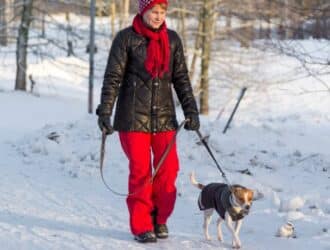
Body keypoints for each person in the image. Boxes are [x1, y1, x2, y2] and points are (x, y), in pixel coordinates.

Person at [96, 0, 200, 243]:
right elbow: (113, 77)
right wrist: (105, 112)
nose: (158, 16)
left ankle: (159, 218)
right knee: (142, 173)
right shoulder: (126, 39)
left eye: (162, 12)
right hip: (133, 119)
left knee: (168, 171)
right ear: (143, 11)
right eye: (154, 11)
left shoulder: (172, 40)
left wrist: (191, 111)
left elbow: (181, 79)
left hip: (164, 118)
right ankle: (142, 225)